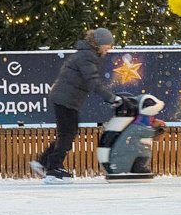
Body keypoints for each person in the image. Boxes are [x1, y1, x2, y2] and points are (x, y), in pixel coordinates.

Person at [32, 27, 121, 184]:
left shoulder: (87, 54)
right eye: (106, 47)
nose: (107, 51)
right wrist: (112, 98)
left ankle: (44, 161)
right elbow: (93, 82)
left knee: (67, 132)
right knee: (67, 133)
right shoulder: (87, 56)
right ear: (99, 44)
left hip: (66, 99)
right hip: (65, 99)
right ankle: (53, 169)